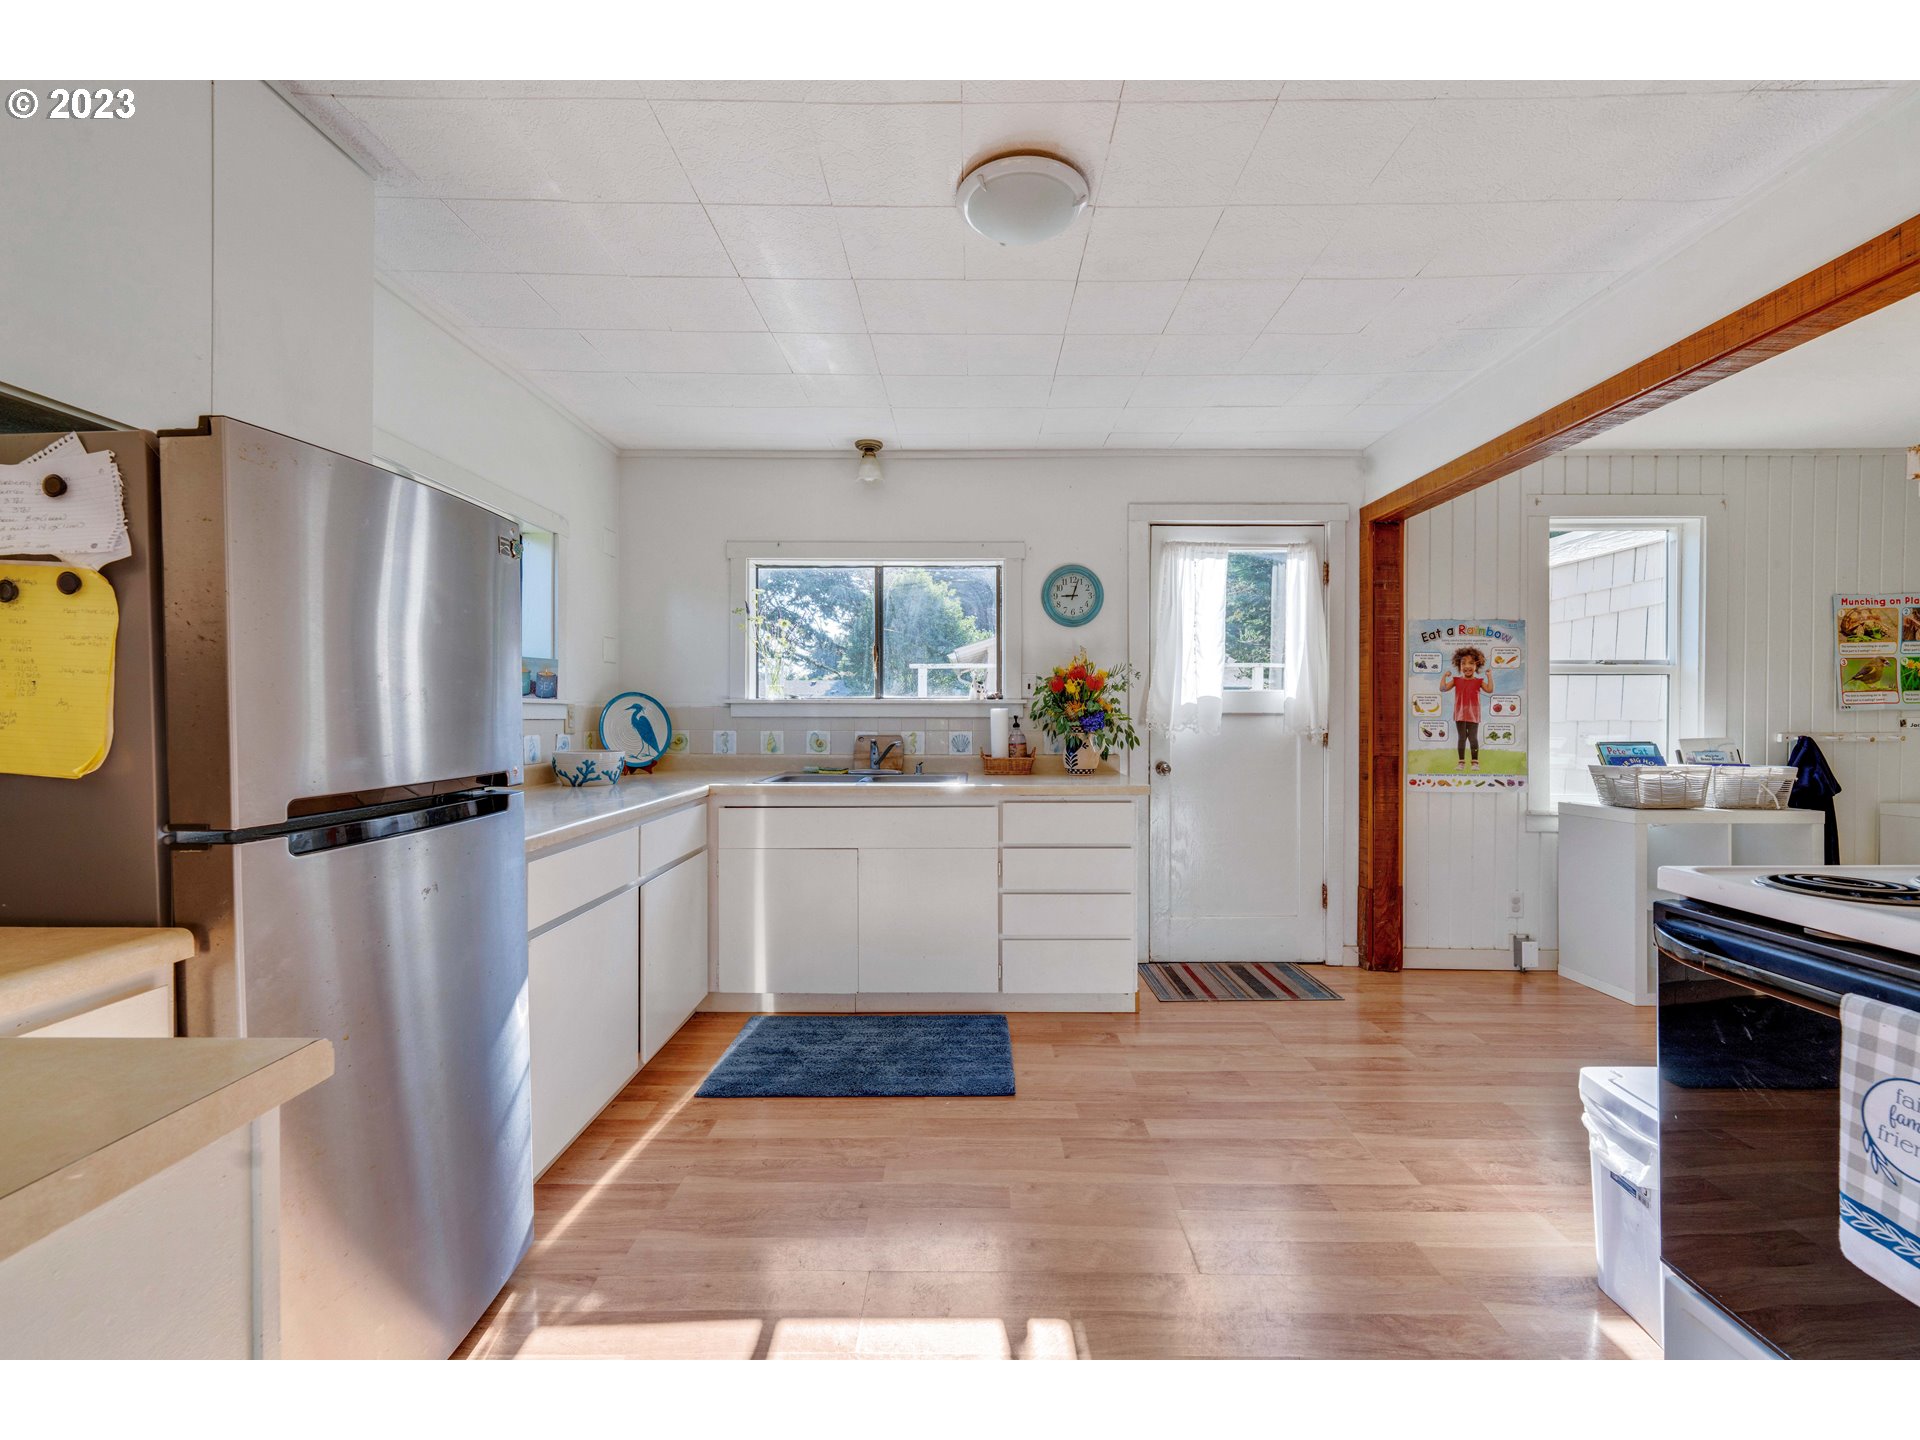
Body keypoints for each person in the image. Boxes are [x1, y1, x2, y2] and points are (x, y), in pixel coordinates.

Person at [1441, 646, 1491, 771]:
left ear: (1477, 665)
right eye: (1463, 663)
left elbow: (1489, 690)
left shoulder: (1479, 681)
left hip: (1474, 715)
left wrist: (1489, 676)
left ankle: (1475, 762)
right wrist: (1444, 676)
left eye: (1471, 663)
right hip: (1460, 715)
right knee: (1462, 738)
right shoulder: (1456, 680)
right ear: (1459, 666)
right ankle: (1461, 762)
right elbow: (1443, 688)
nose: (1467, 666)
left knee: (1473, 738)